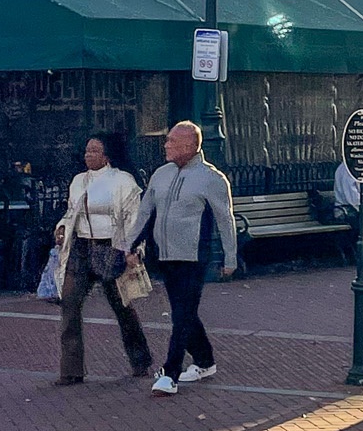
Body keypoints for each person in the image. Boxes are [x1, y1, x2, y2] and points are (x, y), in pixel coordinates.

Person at [126, 121, 238, 394]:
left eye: (172, 142)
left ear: (189, 146)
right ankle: (205, 360)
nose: (165, 145)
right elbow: (144, 213)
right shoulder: (160, 174)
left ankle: (170, 373)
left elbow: (226, 219)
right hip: (164, 254)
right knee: (183, 312)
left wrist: (230, 258)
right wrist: (130, 246)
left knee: (182, 314)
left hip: (193, 256)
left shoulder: (212, 178)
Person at [53, 132, 151, 385]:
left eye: (95, 151)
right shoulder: (77, 181)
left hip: (111, 248)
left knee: (122, 307)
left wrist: (133, 250)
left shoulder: (122, 181)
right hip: (82, 248)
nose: (89, 155)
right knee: (69, 304)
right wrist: (62, 227)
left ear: (107, 155)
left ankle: (140, 361)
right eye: (86, 151)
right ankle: (71, 371)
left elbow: (135, 218)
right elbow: (71, 213)